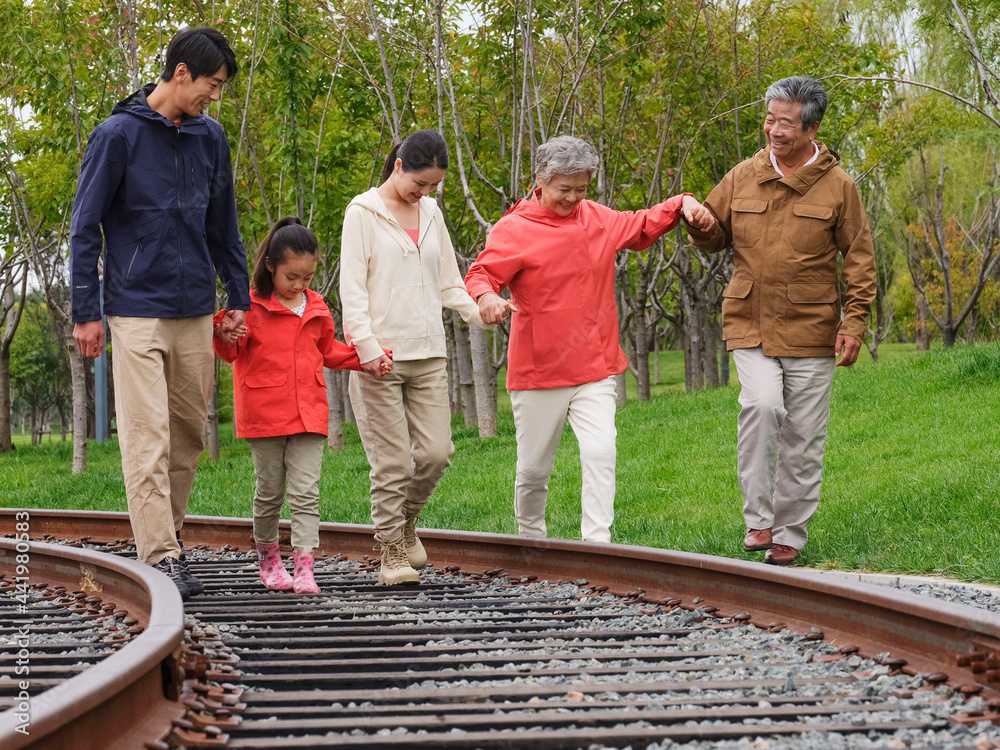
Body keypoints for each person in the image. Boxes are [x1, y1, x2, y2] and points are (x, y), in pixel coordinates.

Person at [69, 28, 250, 601]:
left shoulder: (210, 137)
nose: (214, 98)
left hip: (195, 308)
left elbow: (224, 224)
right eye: (211, 85)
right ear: (180, 74)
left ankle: (164, 533)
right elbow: (83, 229)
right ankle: (163, 555)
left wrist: (238, 296)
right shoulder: (117, 135)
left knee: (187, 435)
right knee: (147, 438)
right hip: (135, 310)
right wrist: (86, 312)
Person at [464, 135, 715, 544]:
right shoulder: (514, 229)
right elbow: (481, 274)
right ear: (540, 182)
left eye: (581, 189)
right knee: (533, 471)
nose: (573, 198)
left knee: (601, 454)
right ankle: (532, 540)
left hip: (595, 366)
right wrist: (487, 297)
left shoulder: (596, 217)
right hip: (539, 371)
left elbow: (641, 222)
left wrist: (682, 202)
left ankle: (597, 546)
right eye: (565, 189)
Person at [686, 76, 876, 566]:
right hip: (748, 318)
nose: (773, 129)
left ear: (812, 128)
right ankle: (759, 520)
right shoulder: (742, 175)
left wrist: (853, 324)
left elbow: (859, 258)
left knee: (804, 435)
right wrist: (701, 226)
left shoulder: (839, 187)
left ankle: (791, 533)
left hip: (812, 328)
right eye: (769, 118)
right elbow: (715, 234)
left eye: (785, 122)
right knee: (763, 406)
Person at [340, 129, 489, 585]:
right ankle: (390, 552)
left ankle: (403, 522)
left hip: (427, 354)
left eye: (433, 188)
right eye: (419, 184)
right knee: (393, 463)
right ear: (399, 165)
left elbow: (448, 281)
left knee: (437, 453)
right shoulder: (361, 213)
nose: (424, 194)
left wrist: (479, 310)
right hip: (379, 356)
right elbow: (353, 290)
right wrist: (366, 348)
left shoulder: (430, 213)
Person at [213, 217, 382, 593]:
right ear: (270, 265)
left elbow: (329, 351)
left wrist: (366, 357)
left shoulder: (317, 307)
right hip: (265, 414)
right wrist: (223, 330)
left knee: (306, 491)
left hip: (310, 412)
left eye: (306, 278)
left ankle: (305, 566)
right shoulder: (248, 307)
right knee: (270, 490)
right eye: (291, 277)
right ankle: (269, 559)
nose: (299, 285)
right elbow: (230, 352)